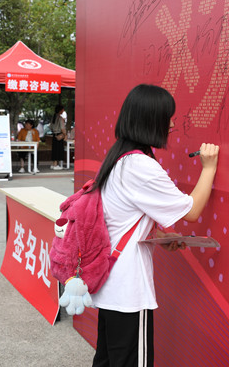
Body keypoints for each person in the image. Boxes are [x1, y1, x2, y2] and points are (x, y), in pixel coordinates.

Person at [89, 84, 219, 367]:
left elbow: (121, 217)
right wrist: (209, 167)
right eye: (167, 116)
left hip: (111, 285)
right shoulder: (140, 165)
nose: (172, 123)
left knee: (109, 361)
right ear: (151, 121)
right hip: (128, 290)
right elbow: (193, 210)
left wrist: (157, 235)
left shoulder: (118, 158)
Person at [49, 104, 66, 170]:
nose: (63, 110)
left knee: (54, 150)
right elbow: (62, 128)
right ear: (60, 110)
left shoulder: (53, 117)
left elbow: (50, 127)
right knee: (58, 150)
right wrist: (65, 134)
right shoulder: (60, 118)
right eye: (63, 109)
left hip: (54, 135)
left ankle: (54, 164)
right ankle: (56, 165)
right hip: (59, 135)